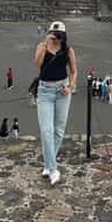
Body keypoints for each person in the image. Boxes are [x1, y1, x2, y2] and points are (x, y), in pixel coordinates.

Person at [34, 21, 78, 186]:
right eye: (54, 34)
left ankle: (47, 164)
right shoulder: (42, 46)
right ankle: (53, 169)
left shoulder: (68, 50)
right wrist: (46, 43)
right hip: (44, 91)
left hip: (62, 91)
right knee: (46, 130)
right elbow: (37, 64)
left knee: (59, 130)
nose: (57, 38)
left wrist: (71, 86)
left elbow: (74, 71)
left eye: (59, 35)